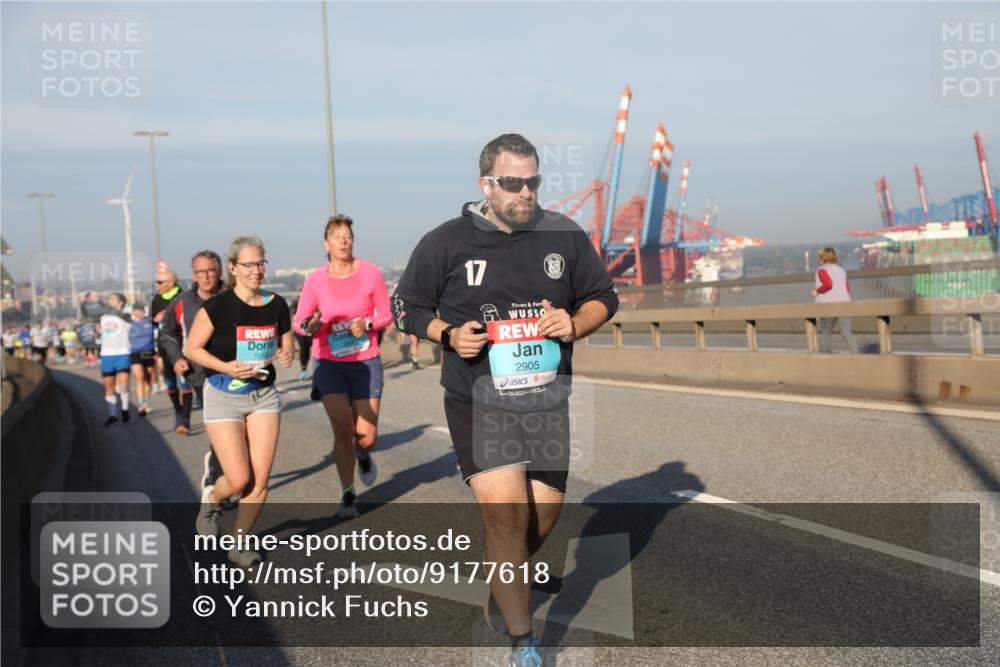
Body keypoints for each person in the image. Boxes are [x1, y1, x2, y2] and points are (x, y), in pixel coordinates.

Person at [392, 133, 618, 666]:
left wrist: (573, 321)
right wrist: (447, 334)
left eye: (532, 182)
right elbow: (406, 306)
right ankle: (523, 641)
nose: (525, 193)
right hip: (478, 399)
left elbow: (603, 297)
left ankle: (504, 577)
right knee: (506, 517)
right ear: (485, 184)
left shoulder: (563, 236)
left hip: (546, 400)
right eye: (512, 183)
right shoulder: (446, 241)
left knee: (540, 518)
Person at [186, 236, 293, 567]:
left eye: (261, 263)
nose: (257, 270)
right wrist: (225, 365)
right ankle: (213, 500)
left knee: (260, 480)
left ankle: (241, 541)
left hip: (263, 395)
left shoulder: (276, 304)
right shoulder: (216, 307)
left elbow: (285, 342)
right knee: (238, 479)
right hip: (222, 394)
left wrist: (287, 352)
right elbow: (193, 349)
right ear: (232, 268)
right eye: (249, 264)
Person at [294, 215, 392, 518]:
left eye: (347, 235)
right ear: (326, 243)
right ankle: (348, 495)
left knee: (367, 436)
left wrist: (368, 323)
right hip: (329, 364)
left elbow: (387, 315)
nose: (343, 240)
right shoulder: (315, 280)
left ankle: (363, 455)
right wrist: (311, 325)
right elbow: (299, 323)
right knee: (342, 428)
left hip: (365, 361)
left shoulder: (371, 274)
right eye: (336, 236)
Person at [811, 246, 859, 354]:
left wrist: (816, 291)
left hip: (829, 305)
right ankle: (856, 355)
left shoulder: (822, 270)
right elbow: (847, 288)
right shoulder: (841, 270)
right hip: (845, 304)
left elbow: (828, 284)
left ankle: (826, 356)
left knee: (826, 332)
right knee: (846, 332)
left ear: (822, 258)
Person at [98, 293, 133, 426]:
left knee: (123, 384)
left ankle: (125, 409)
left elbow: (122, 316)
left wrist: (99, 302)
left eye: (112, 299)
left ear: (120, 302)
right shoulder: (104, 317)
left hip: (122, 353)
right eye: (108, 299)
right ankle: (112, 415)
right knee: (109, 385)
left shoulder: (127, 316)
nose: (108, 301)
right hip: (107, 354)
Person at [151, 269, 181, 395]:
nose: (156, 285)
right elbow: (152, 320)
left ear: (171, 282)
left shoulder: (183, 296)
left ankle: (186, 412)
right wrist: (155, 319)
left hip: (181, 342)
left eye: (159, 282)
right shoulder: (156, 300)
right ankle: (178, 410)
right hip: (164, 343)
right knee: (170, 379)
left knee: (186, 380)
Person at [129, 304, 156, 417]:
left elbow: (157, 335)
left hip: (149, 353)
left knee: (147, 379)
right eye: (138, 310)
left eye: (142, 310)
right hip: (135, 353)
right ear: (134, 312)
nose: (141, 312)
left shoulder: (150, 323)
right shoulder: (130, 324)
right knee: (140, 377)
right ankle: (141, 404)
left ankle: (146, 402)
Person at [290, 296, 313, 381]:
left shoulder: (314, 300)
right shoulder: (296, 300)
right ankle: (303, 371)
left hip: (311, 329)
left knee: (311, 347)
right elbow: (289, 314)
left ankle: (320, 369)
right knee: (304, 347)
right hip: (298, 329)